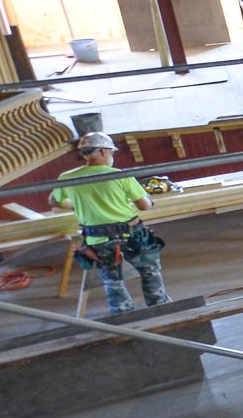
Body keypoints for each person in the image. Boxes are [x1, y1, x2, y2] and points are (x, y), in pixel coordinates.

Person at [52, 132, 167, 315]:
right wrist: (148, 199)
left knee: (112, 281)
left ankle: (123, 317)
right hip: (132, 235)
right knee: (150, 272)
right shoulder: (120, 175)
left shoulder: (66, 177)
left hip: (97, 239)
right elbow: (144, 205)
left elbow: (55, 202)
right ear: (104, 151)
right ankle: (161, 310)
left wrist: (79, 204)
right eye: (112, 153)